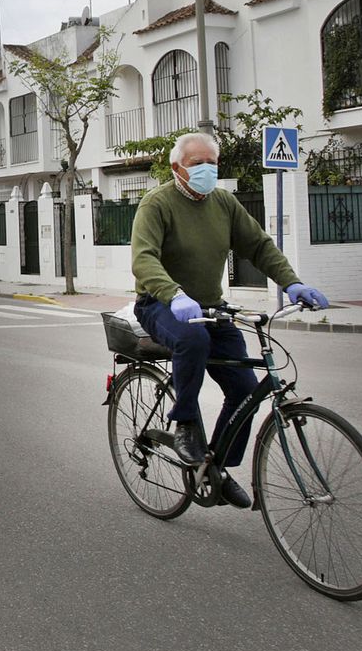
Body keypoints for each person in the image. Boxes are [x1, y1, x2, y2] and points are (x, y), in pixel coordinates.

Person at [130, 131, 329, 507]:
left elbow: (258, 245)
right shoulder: (157, 203)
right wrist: (174, 294)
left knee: (243, 389)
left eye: (212, 163)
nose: (206, 170)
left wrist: (292, 283)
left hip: (209, 306)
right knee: (193, 340)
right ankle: (185, 421)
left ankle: (216, 469)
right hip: (160, 303)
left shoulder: (223, 202)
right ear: (177, 168)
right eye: (196, 163)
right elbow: (143, 258)